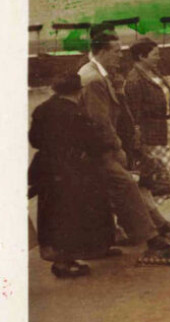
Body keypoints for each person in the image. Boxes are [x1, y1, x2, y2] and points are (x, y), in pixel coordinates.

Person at [77, 33, 170, 251]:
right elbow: (100, 121)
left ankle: (146, 231)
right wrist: (117, 148)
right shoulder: (94, 80)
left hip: (98, 147)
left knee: (122, 188)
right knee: (127, 185)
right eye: (116, 51)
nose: (120, 56)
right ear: (102, 51)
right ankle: (151, 236)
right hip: (101, 150)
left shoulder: (96, 73)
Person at [29, 73, 118, 278]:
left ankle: (64, 259)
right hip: (75, 170)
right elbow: (92, 143)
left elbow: (35, 140)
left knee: (53, 215)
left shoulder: (42, 109)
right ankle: (65, 263)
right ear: (79, 91)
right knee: (73, 215)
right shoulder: (76, 113)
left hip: (48, 170)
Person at [123, 38, 170, 221]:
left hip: (165, 129)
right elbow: (134, 114)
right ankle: (153, 219)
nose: (159, 57)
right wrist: (138, 141)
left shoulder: (152, 72)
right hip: (152, 134)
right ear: (141, 56)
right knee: (158, 174)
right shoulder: (134, 80)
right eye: (155, 54)